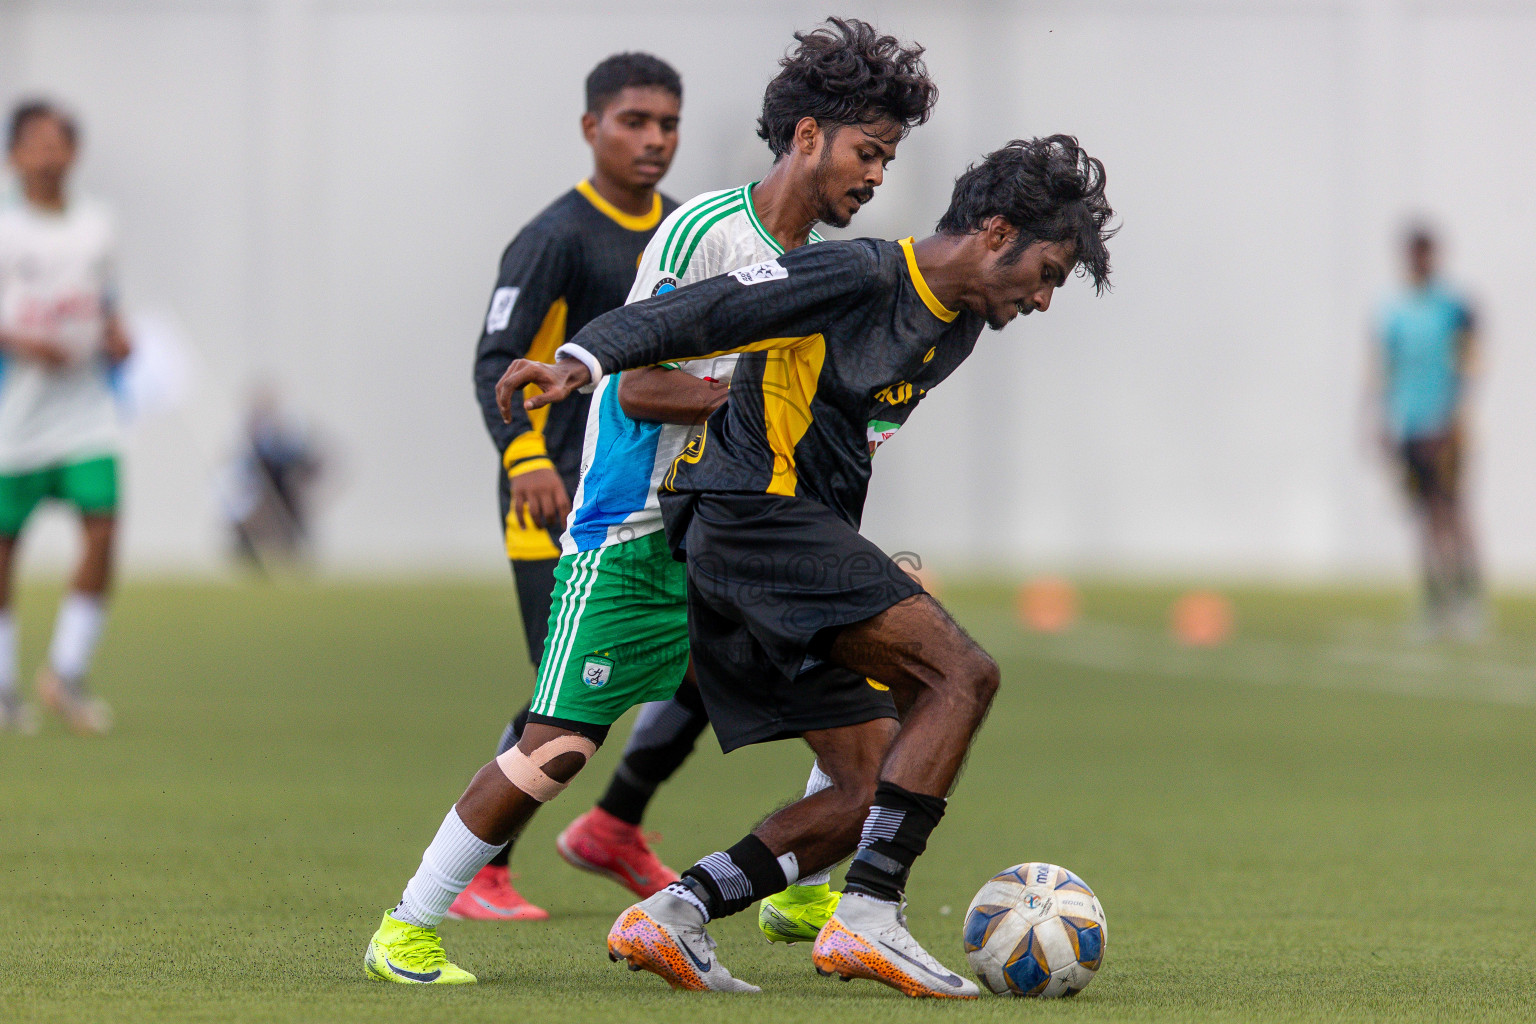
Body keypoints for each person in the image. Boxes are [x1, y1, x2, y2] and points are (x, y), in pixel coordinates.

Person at [363, 19, 937, 986]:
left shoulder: (830, 268)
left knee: (878, 701)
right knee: (556, 749)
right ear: (806, 137)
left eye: (887, 157)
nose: (877, 175)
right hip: (634, 531)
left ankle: (800, 892)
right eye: (866, 151)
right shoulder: (706, 232)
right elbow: (635, 386)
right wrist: (741, 399)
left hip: (740, 534)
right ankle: (407, 927)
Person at [500, 135, 1115, 997]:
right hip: (751, 518)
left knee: (871, 781)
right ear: (994, 229)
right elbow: (711, 309)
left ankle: (672, 914)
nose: (1044, 298)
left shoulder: (962, 325)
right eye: (1045, 270)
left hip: (780, 541)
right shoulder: (862, 273)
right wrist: (583, 358)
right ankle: (869, 916)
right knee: (961, 676)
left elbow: (841, 440)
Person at [457, 52, 682, 921]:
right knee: (568, 695)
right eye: (634, 122)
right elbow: (493, 363)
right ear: (592, 128)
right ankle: (481, 866)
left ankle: (616, 825)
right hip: (549, 497)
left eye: (666, 124)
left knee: (708, 666)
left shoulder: (683, 230)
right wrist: (527, 460)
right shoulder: (555, 236)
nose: (652, 139)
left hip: (651, 499)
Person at [0, 100, 131, 736]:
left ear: (73, 154)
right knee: (4, 546)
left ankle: (66, 673)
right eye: (36, 143)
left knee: (103, 532)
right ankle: (3, 685)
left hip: (85, 411)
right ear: (13, 156)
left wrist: (116, 333)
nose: (49, 154)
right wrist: (26, 344)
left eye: (59, 142)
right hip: (16, 413)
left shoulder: (98, 226)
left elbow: (105, 303)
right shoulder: (6, 230)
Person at [1372, 227, 1482, 638]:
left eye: (1426, 254)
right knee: (1423, 516)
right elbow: (1385, 367)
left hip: (1445, 424)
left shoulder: (1453, 306)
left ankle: (1469, 599)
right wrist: (1381, 418)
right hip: (1409, 424)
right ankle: (1436, 602)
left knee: (1453, 512)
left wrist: (1455, 415)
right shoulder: (1393, 310)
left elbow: (1470, 361)